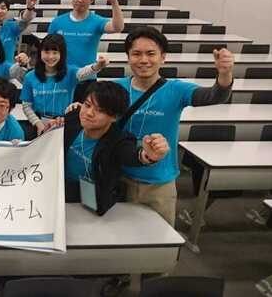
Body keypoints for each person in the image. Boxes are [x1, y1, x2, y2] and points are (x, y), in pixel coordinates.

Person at [116, 26, 233, 225]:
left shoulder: (177, 89)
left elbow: (214, 96)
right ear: (128, 57)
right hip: (120, 177)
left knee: (160, 239)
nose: (143, 60)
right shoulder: (115, 88)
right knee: (118, 235)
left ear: (163, 57)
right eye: (136, 54)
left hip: (159, 183)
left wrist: (225, 75)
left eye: (151, 53)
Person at [61, 81, 169, 215]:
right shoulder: (73, 118)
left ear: (115, 117)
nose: (89, 113)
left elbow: (130, 154)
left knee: (83, 221)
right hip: (60, 186)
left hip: (89, 194)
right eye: (87, 105)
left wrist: (148, 156)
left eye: (100, 110)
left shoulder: (118, 141)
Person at [45, 0, 124, 101]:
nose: (80, 0)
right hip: (61, 77)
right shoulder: (57, 22)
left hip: (87, 80)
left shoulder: (97, 21)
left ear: (92, 0)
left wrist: (114, 1)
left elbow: (117, 27)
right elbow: (46, 49)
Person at [21, 34, 109, 135]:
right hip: (40, 124)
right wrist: (38, 124)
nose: (50, 56)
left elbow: (84, 72)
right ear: (40, 52)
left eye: (55, 52)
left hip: (65, 123)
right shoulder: (30, 77)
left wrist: (98, 65)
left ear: (62, 54)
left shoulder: (70, 72)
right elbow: (26, 106)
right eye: (46, 52)